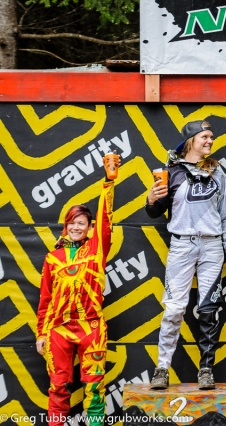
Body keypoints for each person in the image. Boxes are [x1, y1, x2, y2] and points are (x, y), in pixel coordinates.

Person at [145, 120, 226, 390]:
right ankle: (162, 368)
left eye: (211, 137)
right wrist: (151, 199)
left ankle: (206, 369)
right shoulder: (171, 172)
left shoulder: (217, 172)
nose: (210, 141)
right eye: (204, 136)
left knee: (209, 310)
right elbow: (156, 212)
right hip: (182, 245)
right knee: (174, 309)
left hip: (212, 246)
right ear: (190, 141)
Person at [36, 152, 120, 426]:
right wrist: (41, 333)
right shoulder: (52, 258)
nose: (75, 227)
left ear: (88, 228)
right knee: (58, 387)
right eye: (71, 222)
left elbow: (105, 220)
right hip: (58, 329)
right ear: (65, 226)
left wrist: (108, 183)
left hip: (91, 326)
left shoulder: (96, 250)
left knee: (94, 386)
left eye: (81, 223)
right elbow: (45, 298)